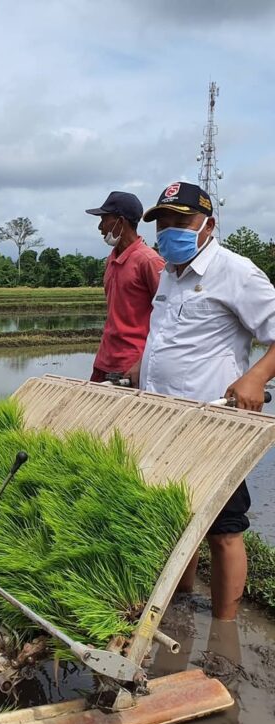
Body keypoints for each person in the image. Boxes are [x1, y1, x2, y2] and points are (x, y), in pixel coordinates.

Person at [137, 181, 275, 620]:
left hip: (212, 425)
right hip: (163, 421)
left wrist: (256, 376)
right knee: (177, 519)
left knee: (223, 530)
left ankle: (224, 630)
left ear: (209, 225)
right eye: (163, 222)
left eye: (182, 221)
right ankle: (179, 602)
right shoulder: (168, 273)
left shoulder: (235, 272)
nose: (169, 231)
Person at [85, 191, 164, 382]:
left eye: (104, 220)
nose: (100, 227)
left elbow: (167, 316)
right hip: (105, 359)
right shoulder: (111, 260)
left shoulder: (149, 261)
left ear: (120, 222)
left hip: (132, 364)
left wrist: (143, 363)